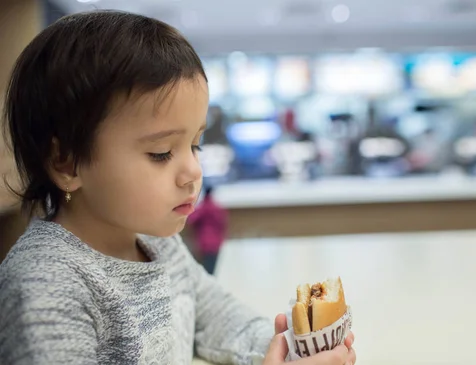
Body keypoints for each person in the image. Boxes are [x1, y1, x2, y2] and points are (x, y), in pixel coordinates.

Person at [0, 11, 356, 365]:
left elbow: (218, 317)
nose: (192, 172)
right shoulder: (45, 288)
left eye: (195, 145)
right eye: (161, 153)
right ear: (67, 163)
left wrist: (287, 351)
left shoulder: (158, 244)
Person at [188, 186, 227, 274]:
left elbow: (191, 220)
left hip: (204, 242)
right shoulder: (217, 208)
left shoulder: (202, 207)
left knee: (205, 270)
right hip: (216, 242)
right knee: (212, 269)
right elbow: (223, 224)